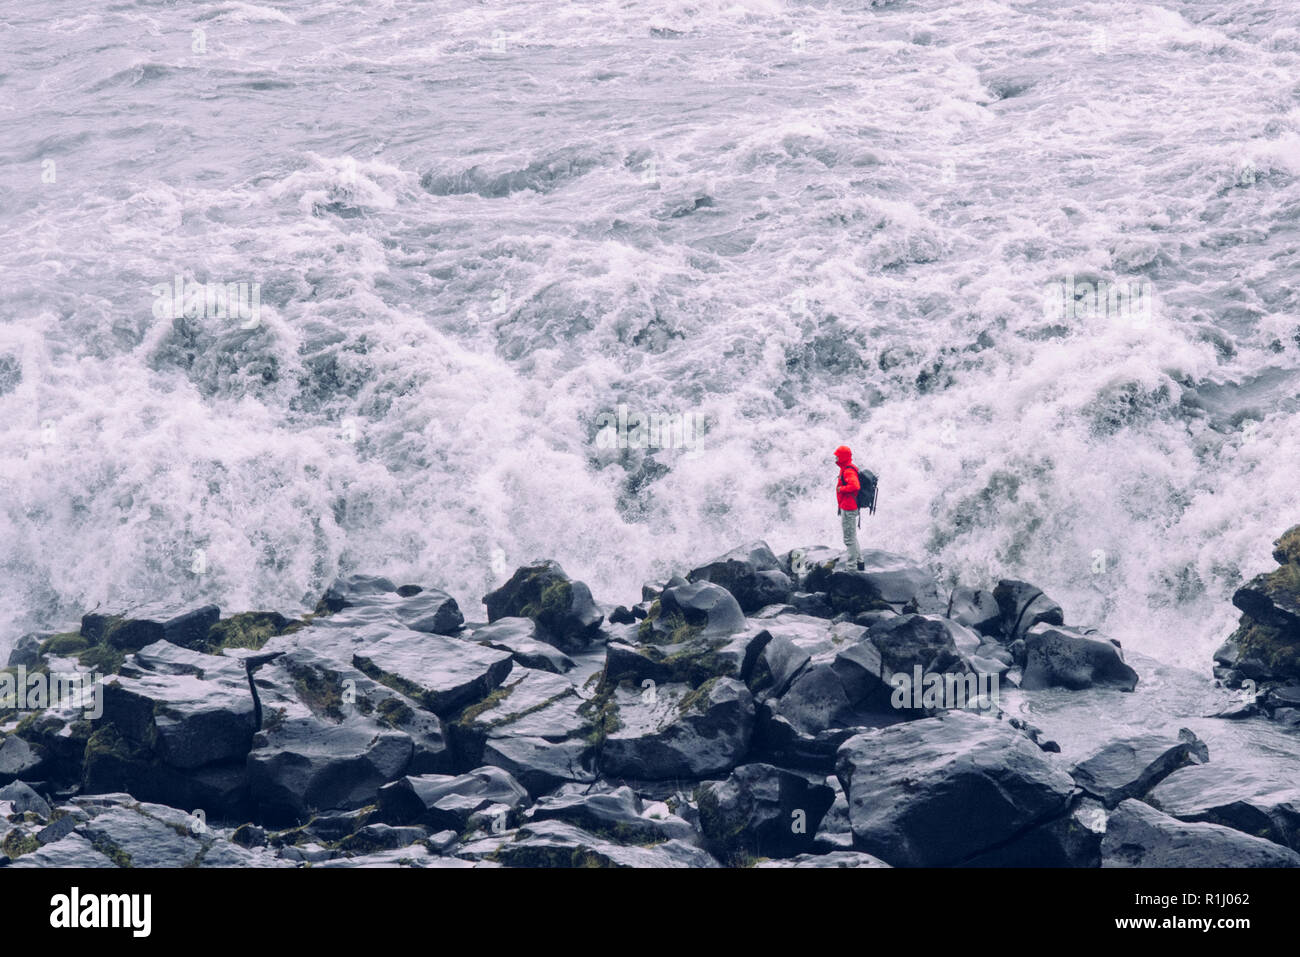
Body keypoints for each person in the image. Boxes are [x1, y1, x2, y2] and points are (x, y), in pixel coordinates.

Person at [834, 445, 865, 570]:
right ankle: (860, 561)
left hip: (849, 508)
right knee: (852, 536)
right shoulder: (847, 468)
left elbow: (855, 486)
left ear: (843, 457)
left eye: (837, 456)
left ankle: (851, 566)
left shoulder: (848, 471)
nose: (835, 458)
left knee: (848, 539)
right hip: (849, 506)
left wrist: (842, 489)